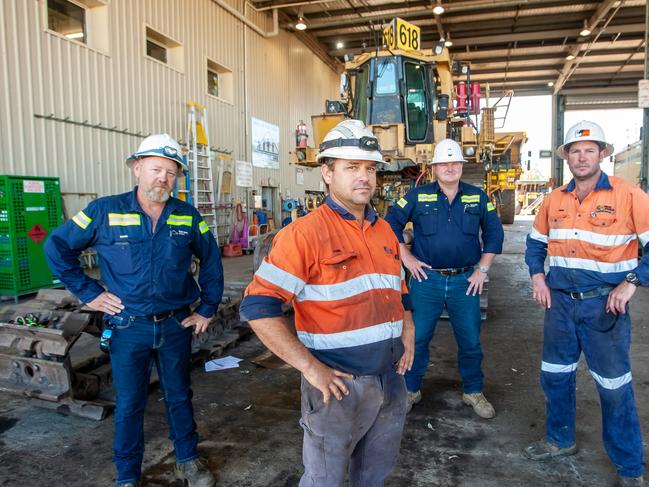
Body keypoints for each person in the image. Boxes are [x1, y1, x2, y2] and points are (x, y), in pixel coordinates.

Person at [239, 119, 415, 487]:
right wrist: (310, 368)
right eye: (351, 167)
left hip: (390, 380)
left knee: (374, 476)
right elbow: (257, 307)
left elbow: (398, 290)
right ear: (327, 173)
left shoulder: (384, 230)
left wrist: (408, 330)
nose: (364, 177)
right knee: (325, 480)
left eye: (369, 168)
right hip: (337, 386)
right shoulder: (304, 235)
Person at [45, 134, 223, 487]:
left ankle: (187, 461)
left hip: (175, 324)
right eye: (156, 169)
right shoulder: (103, 211)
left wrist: (206, 308)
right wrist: (89, 292)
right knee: (129, 404)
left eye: (171, 173)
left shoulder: (187, 216)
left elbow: (212, 260)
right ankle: (127, 476)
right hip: (128, 328)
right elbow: (57, 247)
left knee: (179, 395)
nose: (163, 178)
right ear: (137, 168)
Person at [524, 120, 649, 486]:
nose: (581, 157)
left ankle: (629, 467)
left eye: (589, 150)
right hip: (560, 306)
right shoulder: (555, 199)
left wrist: (631, 283)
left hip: (604, 309)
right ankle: (560, 440)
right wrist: (537, 276)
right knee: (555, 376)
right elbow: (534, 244)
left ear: (602, 154)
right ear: (566, 157)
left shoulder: (629, 196)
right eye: (575, 151)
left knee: (613, 386)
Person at [385, 138, 504, 418]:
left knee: (470, 340)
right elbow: (390, 223)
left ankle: (473, 391)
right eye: (444, 163)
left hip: (465, 281)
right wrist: (407, 257)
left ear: (461, 166)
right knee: (417, 337)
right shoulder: (417, 196)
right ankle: (410, 389)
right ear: (434, 167)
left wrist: (482, 269)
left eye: (455, 163)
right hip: (427, 281)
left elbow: (494, 233)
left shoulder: (478, 196)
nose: (450, 168)